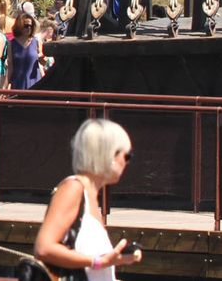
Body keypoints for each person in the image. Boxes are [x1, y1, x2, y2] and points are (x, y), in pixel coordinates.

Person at [33, 118, 143, 280]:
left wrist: (111, 260)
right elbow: (44, 248)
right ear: (110, 154)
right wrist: (99, 262)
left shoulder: (91, 196)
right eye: (127, 156)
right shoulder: (73, 188)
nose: (127, 162)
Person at [9, 14, 43, 91]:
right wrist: (5, 86)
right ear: (19, 26)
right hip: (18, 83)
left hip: (35, 82)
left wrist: (42, 58)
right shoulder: (12, 43)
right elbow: (10, 67)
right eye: (26, 26)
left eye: (31, 26)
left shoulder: (36, 41)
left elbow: (41, 63)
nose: (29, 28)